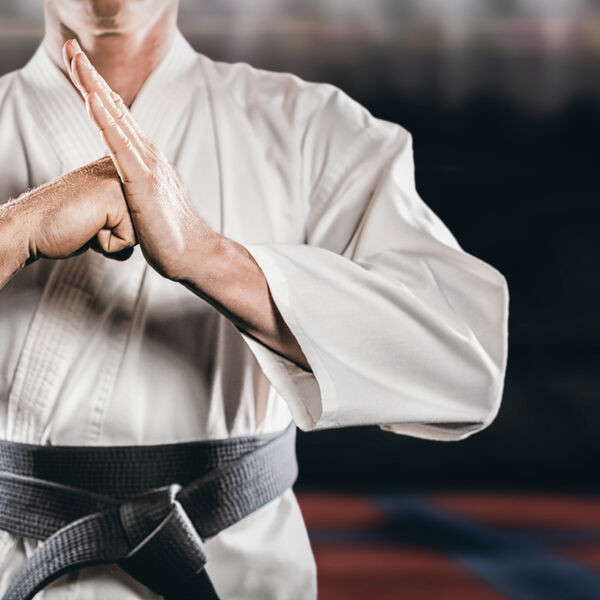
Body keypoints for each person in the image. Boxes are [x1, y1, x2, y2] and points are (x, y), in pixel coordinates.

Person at [0, 0, 509, 598]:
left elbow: (464, 369)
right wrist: (18, 230)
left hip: (239, 571)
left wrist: (209, 257)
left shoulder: (312, 130)